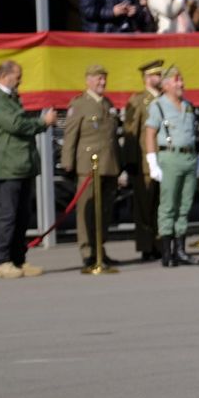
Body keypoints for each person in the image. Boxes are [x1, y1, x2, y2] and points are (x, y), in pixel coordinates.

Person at [0, 61, 55, 279]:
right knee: (8, 216)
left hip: (21, 165)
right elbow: (16, 124)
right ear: (5, 76)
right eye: (18, 75)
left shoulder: (11, 98)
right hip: (7, 167)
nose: (20, 80)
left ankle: (18, 258)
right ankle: (2, 261)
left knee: (22, 216)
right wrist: (42, 122)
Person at [61, 64, 122, 270]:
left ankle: (100, 249)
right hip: (88, 166)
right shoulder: (80, 104)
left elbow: (113, 137)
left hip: (109, 164)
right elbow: (70, 135)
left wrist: (119, 164)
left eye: (104, 78)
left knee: (104, 210)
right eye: (98, 78)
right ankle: (88, 252)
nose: (102, 82)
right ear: (88, 80)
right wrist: (67, 163)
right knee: (86, 210)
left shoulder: (107, 103)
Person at [143, 66, 199, 268]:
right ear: (166, 85)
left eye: (182, 80)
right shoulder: (158, 106)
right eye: (176, 81)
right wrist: (152, 161)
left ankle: (180, 249)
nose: (181, 85)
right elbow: (150, 133)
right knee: (168, 205)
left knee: (184, 206)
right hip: (169, 157)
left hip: (188, 157)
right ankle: (167, 252)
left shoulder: (188, 105)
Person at [122, 60, 166, 263]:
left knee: (161, 205)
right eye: (157, 75)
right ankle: (146, 246)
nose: (160, 78)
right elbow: (131, 132)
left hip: (165, 160)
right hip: (145, 162)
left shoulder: (166, 99)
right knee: (144, 207)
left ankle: (160, 244)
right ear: (148, 78)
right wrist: (130, 161)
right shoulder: (138, 101)